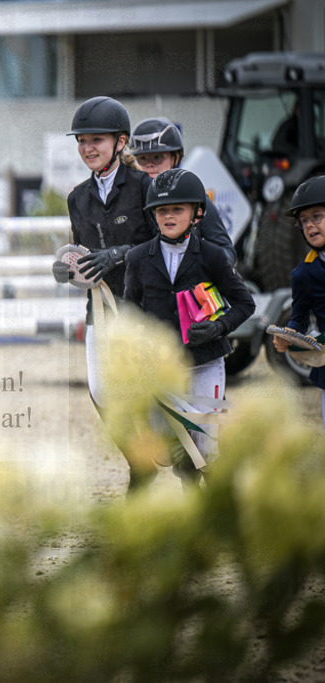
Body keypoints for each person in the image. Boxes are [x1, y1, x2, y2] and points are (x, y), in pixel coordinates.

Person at [51, 95, 158, 491]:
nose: (87, 149)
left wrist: (119, 254)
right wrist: (68, 269)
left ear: (121, 141)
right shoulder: (77, 197)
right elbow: (80, 252)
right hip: (99, 306)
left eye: (96, 140)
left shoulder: (146, 187)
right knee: (100, 391)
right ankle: (140, 464)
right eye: (81, 141)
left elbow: (163, 243)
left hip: (145, 305)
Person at [123, 168, 255, 485]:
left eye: (177, 209)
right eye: (162, 210)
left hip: (205, 362)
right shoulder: (138, 258)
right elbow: (129, 311)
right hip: (161, 369)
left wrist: (218, 327)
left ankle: (210, 512)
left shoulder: (212, 255)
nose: (168, 216)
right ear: (152, 214)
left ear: (197, 213)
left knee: (205, 449)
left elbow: (245, 303)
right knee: (170, 450)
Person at [129, 116, 236, 263]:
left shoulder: (195, 198)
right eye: (143, 159)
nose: (150, 165)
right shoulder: (126, 199)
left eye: (158, 157)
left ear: (176, 158)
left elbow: (226, 251)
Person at [272, 176, 325, 426]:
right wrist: (289, 336)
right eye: (303, 221)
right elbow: (300, 317)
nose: (310, 226)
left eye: (317, 216)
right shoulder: (303, 273)